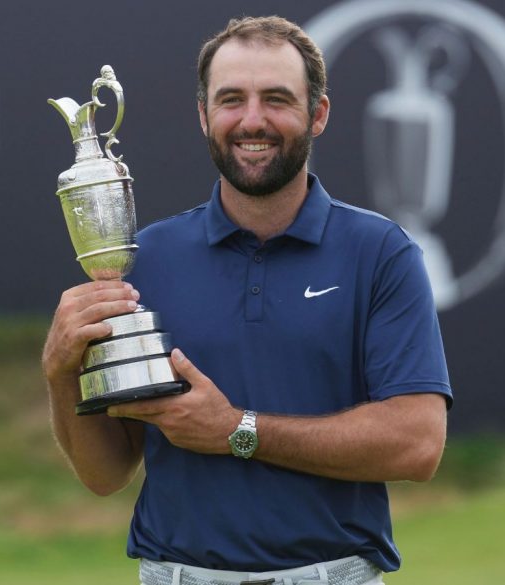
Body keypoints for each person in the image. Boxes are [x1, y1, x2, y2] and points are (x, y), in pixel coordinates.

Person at [41, 15, 452, 585]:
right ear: (204, 116)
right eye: (231, 99)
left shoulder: (380, 253)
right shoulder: (147, 256)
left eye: (277, 99)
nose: (252, 120)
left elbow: (418, 444)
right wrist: (60, 372)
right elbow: (106, 473)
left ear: (319, 114)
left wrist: (238, 429)